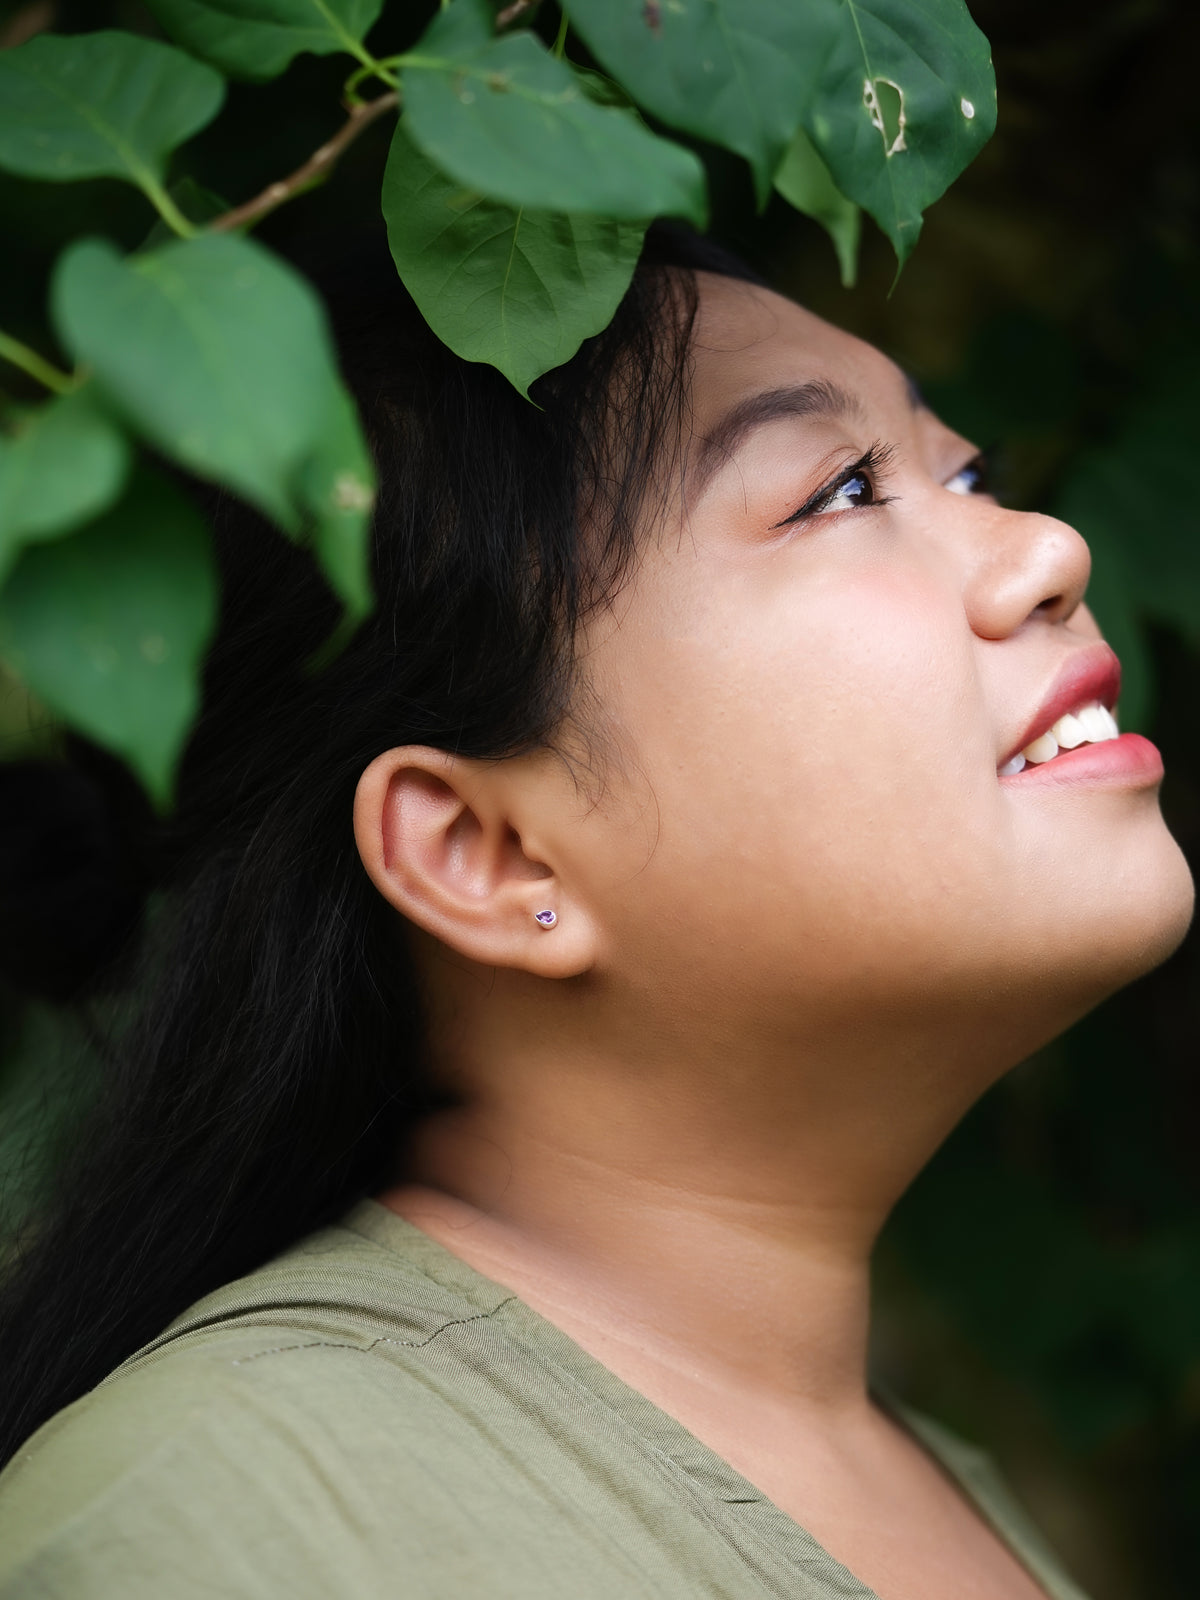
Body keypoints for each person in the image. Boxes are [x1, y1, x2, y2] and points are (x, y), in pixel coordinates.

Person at [0, 227, 1190, 1600]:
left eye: (966, 472)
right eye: (841, 491)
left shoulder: (935, 1483)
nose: (1049, 548)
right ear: (489, 854)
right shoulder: (229, 1515)